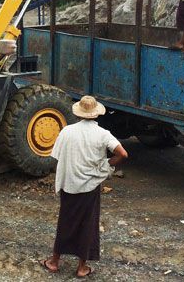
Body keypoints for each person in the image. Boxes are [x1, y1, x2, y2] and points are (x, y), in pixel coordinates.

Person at [40, 96, 128, 278]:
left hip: (69, 184)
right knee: (88, 224)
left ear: (79, 112)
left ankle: (54, 261)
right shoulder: (103, 134)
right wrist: (106, 165)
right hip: (90, 185)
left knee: (65, 222)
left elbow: (56, 156)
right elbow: (123, 154)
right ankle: (81, 268)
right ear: (96, 114)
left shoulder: (67, 131)